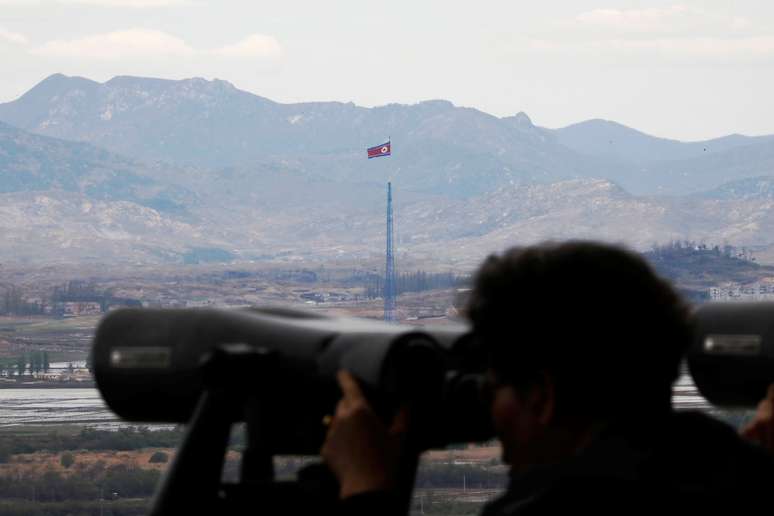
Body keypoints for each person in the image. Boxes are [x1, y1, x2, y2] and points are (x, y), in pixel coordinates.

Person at [321, 241, 774, 515]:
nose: (488, 407)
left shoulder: (557, 509)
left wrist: (367, 491)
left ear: (541, 396)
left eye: (495, 385)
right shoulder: (737, 470)